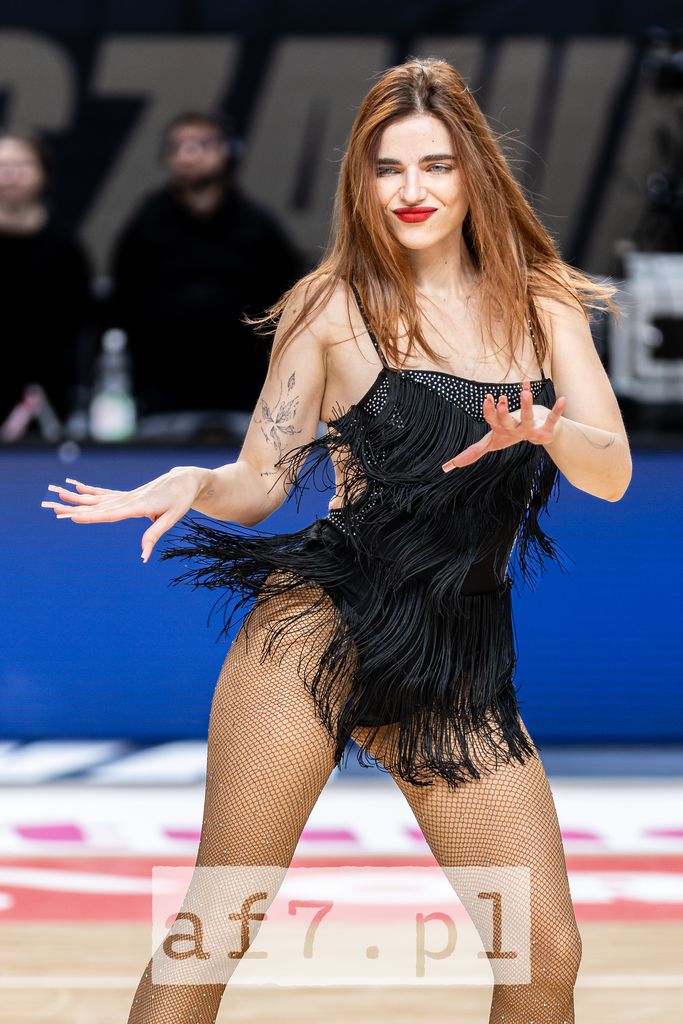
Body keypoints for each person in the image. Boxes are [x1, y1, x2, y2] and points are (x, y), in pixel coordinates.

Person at [43, 58, 632, 1024]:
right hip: (321, 629)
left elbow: (609, 473)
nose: (410, 190)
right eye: (386, 168)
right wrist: (197, 483)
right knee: (216, 924)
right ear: (360, 181)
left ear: (474, 172)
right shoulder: (331, 305)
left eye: (434, 165)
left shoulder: (542, 302)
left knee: (546, 954)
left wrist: (546, 429)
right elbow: (260, 480)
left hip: (456, 655)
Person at [108, 111, 304, 420]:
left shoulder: (258, 227)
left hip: (246, 393)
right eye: (178, 146)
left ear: (226, 151)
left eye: (201, 143)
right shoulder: (146, 225)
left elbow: (288, 303)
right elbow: (123, 300)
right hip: (162, 393)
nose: (188, 154)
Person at [0, 132, 91, 427]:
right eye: (3, 166)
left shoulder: (65, 248)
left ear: (43, 174)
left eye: (21, 165)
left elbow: (80, 325)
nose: (11, 176)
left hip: (51, 400)